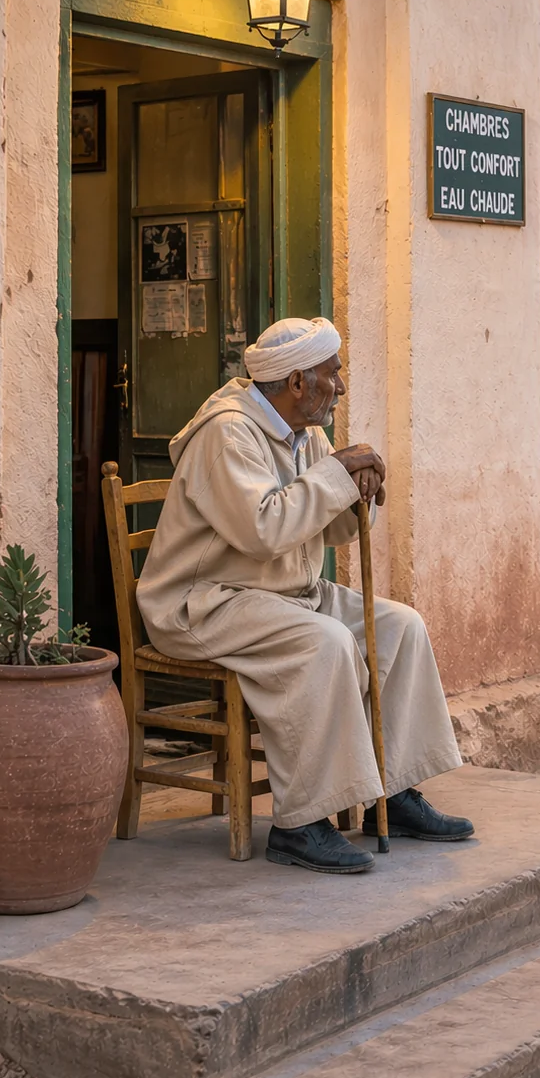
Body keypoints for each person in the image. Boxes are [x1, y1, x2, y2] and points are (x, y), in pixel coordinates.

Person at [136, 316, 472, 874]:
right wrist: (336, 477)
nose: (339, 385)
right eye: (331, 373)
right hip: (204, 602)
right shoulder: (227, 432)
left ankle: (396, 793)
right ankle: (300, 824)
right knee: (326, 643)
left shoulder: (308, 433)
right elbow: (264, 530)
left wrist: (356, 492)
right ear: (297, 383)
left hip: (285, 591)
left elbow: (319, 524)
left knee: (401, 627)